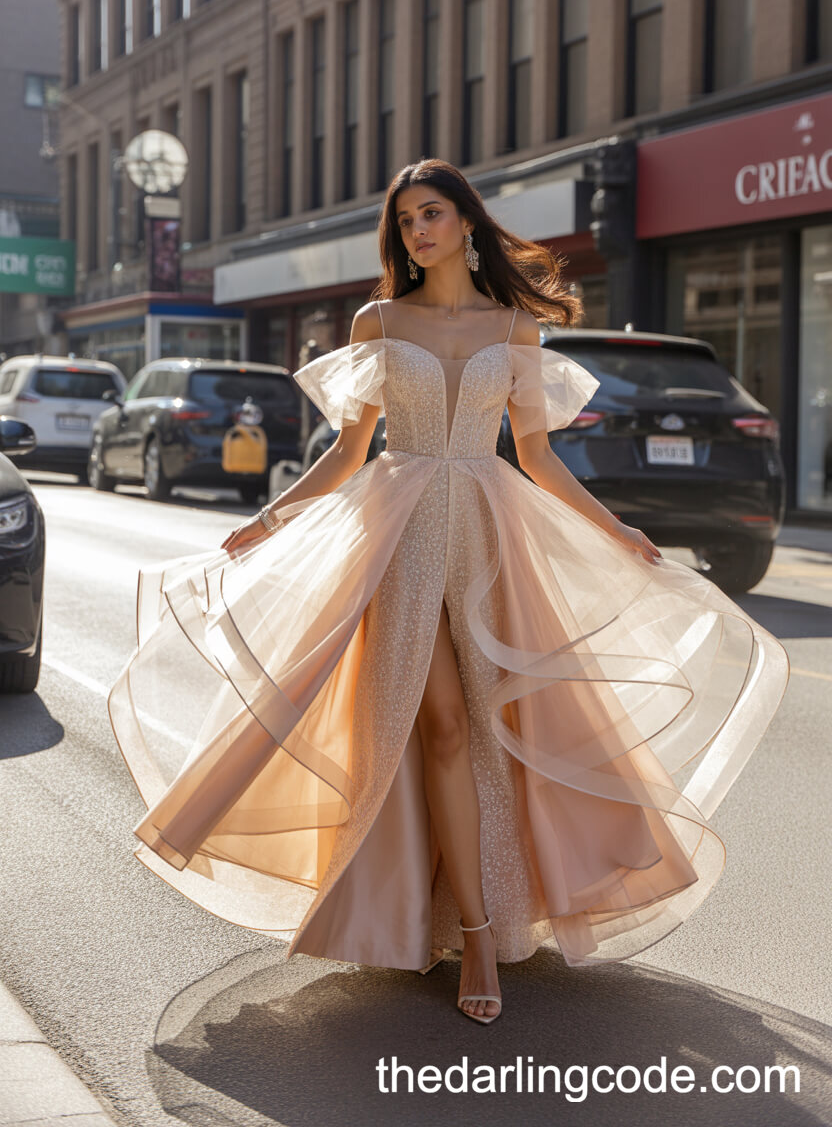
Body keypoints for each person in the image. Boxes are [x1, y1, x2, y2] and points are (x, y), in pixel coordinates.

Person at [108, 158, 789, 1027]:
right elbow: (351, 452)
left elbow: (538, 458)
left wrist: (615, 529)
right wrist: (274, 516)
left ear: (467, 221)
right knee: (439, 726)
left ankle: (475, 912)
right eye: (405, 222)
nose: (417, 231)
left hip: (487, 534)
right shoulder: (377, 319)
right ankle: (474, 931)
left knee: (502, 728)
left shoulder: (516, 329)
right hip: (393, 536)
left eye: (432, 214)